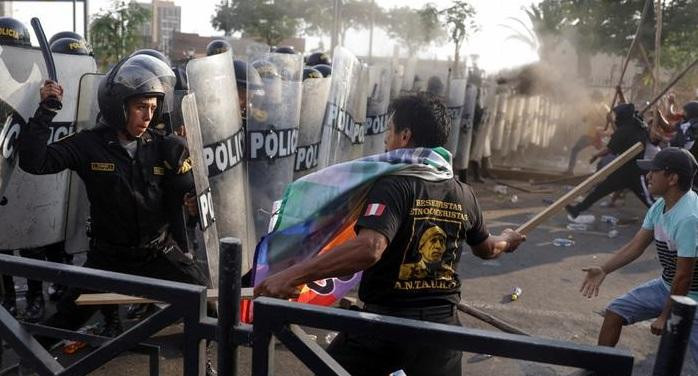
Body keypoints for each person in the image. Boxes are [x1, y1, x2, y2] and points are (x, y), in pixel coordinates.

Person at [254, 93, 526, 376]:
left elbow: (369, 248)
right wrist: (508, 239)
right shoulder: (462, 192)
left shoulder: (394, 185)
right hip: (442, 331)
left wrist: (292, 275)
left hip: (386, 327)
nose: (386, 140)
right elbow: (487, 248)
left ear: (405, 136)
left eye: (389, 131)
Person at [18, 55, 209, 340]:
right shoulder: (88, 144)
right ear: (118, 106)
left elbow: (188, 196)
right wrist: (46, 110)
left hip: (158, 253)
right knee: (58, 325)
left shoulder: (161, 147)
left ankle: (203, 359)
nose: (147, 116)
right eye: (140, 107)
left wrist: (191, 188)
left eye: (153, 108)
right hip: (108, 259)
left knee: (207, 301)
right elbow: (35, 162)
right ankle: (28, 365)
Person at [580, 147, 698, 368]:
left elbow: (684, 276)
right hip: (668, 286)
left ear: (672, 178)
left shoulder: (689, 217)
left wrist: (666, 315)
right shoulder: (661, 206)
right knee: (615, 312)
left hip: (692, 297)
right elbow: (636, 246)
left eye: (654, 171)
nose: (648, 176)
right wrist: (604, 269)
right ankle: (599, 370)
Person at [566, 102, 653, 219]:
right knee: (600, 190)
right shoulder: (638, 126)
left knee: (647, 198)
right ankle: (577, 209)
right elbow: (621, 134)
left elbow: (609, 149)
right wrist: (612, 122)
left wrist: (596, 155)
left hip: (634, 171)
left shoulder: (624, 130)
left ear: (623, 116)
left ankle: (667, 216)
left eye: (617, 115)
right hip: (623, 170)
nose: (616, 118)